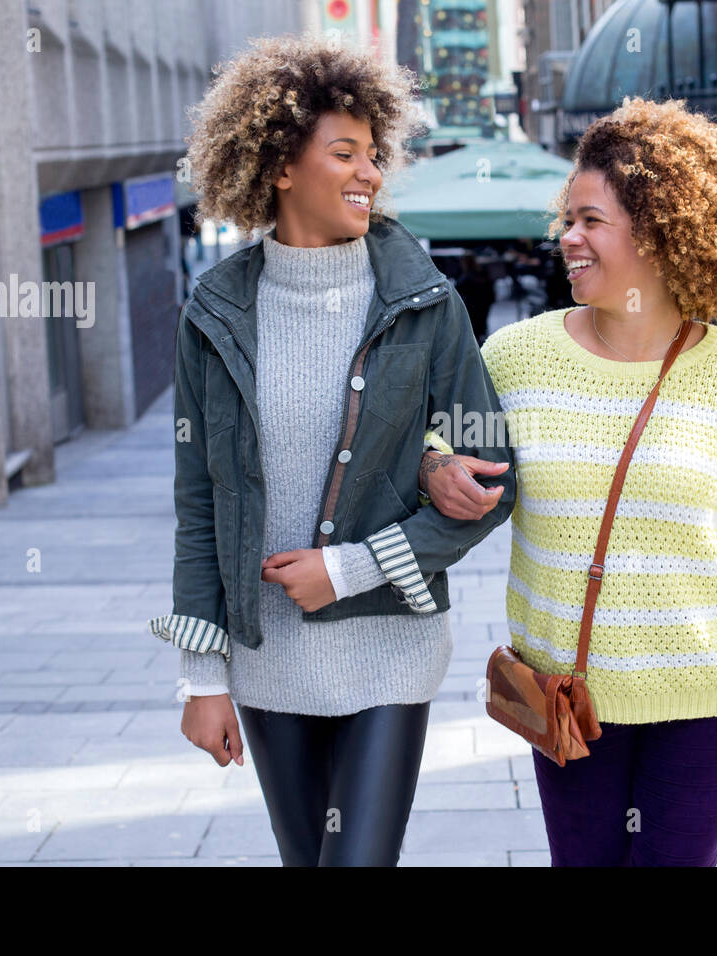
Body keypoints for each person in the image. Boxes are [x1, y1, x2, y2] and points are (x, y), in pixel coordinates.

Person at [421, 96, 717, 866]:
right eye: (568, 219)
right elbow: (443, 444)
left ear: (658, 231)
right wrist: (435, 464)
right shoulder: (515, 358)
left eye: (590, 221)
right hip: (566, 699)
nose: (567, 239)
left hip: (712, 701)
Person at [146, 33, 516, 866]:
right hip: (268, 656)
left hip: (389, 641)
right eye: (344, 152)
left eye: (374, 155)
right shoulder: (215, 312)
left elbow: (499, 477)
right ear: (280, 165)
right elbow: (199, 502)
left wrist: (350, 568)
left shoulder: (425, 301)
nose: (371, 174)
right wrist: (201, 681)